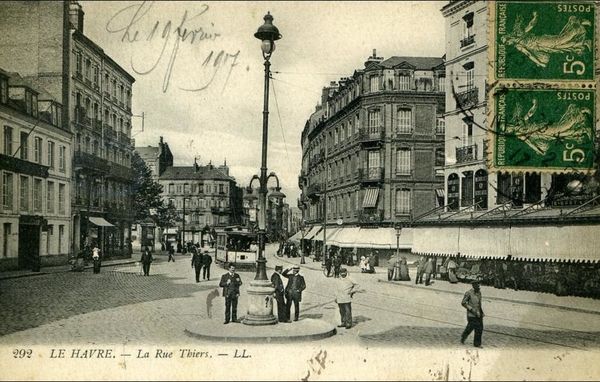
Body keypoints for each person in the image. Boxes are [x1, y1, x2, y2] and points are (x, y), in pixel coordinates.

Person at [461, 280, 484, 348]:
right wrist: (471, 309)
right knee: (470, 328)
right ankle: (464, 336)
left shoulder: (479, 293)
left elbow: (479, 304)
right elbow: (463, 303)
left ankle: (477, 344)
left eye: (479, 284)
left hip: (478, 314)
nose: (479, 286)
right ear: (473, 285)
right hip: (471, 315)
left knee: (479, 328)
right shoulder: (468, 293)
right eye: (477, 285)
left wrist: (481, 312)